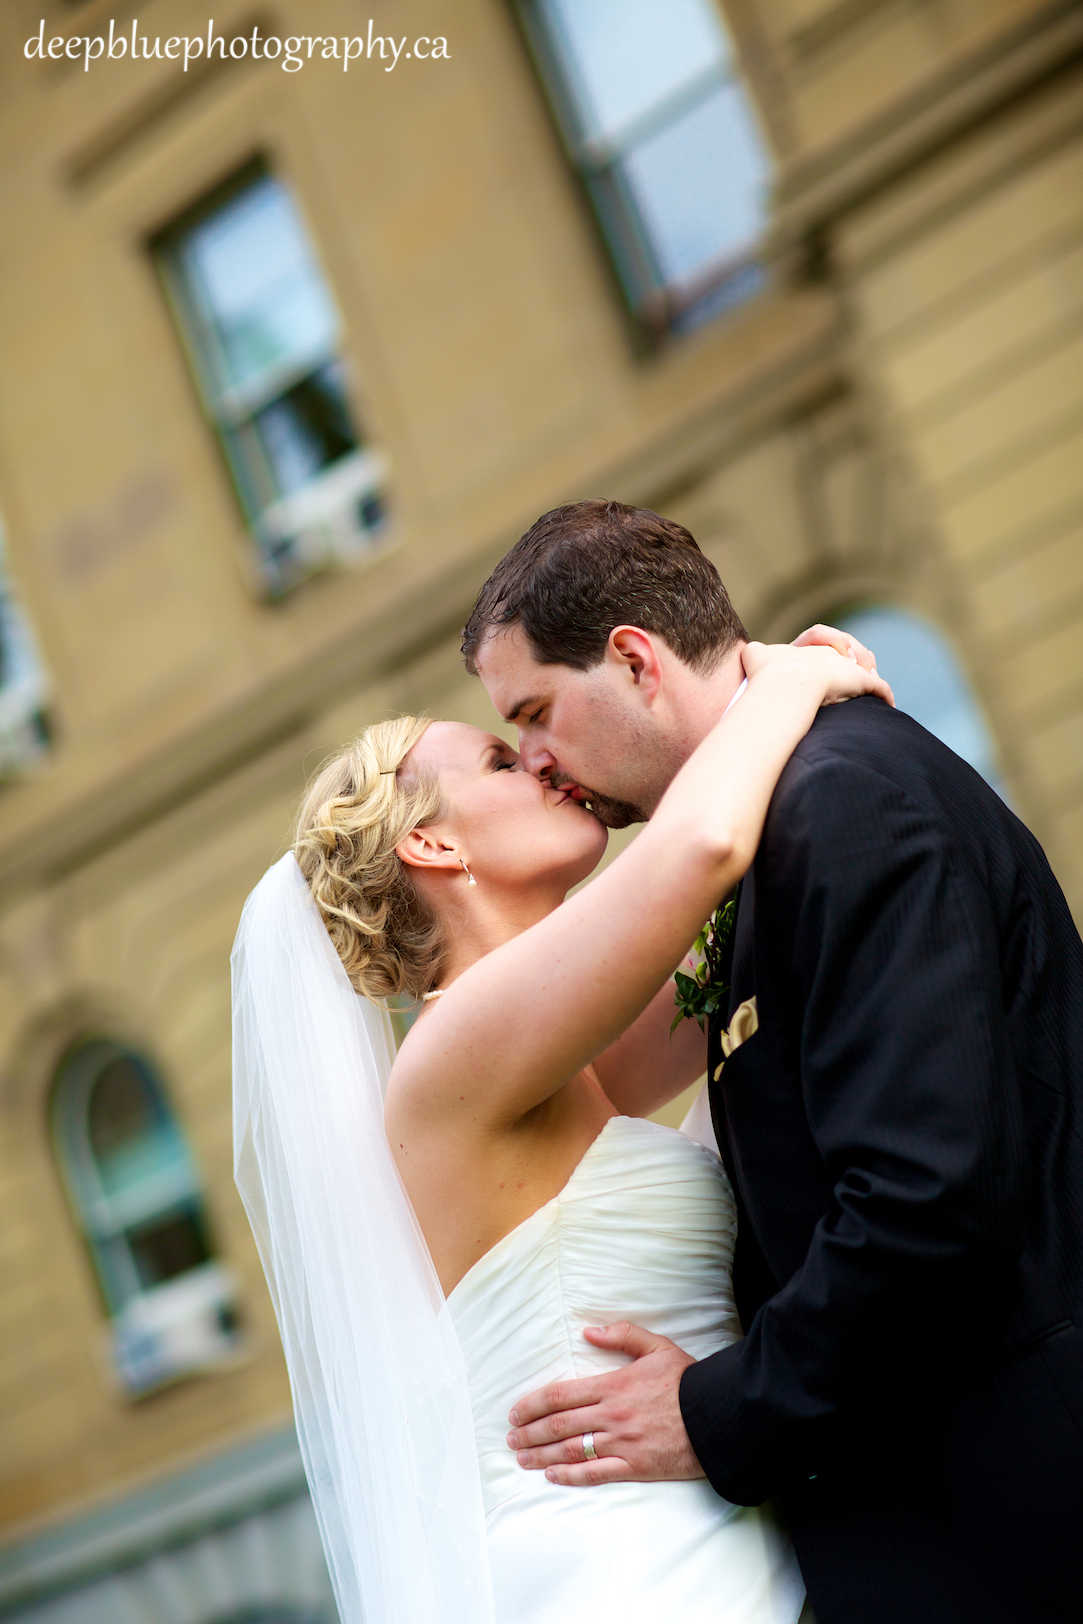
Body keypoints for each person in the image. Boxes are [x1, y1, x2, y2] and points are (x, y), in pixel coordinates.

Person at [462, 499, 1083, 1624]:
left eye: (536, 714)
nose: (541, 763)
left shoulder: (843, 806)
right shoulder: (775, 829)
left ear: (637, 661)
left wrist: (710, 1411)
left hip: (1012, 1516)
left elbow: (926, 1203)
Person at [232, 630, 887, 1624]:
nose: (541, 763)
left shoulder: (559, 1060)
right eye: (499, 758)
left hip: (700, 1524)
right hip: (618, 1564)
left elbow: (734, 939)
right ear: (432, 843)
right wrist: (786, 677)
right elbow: (707, 847)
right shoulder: (451, 1061)